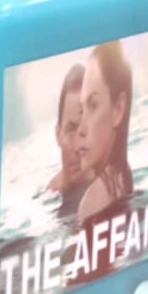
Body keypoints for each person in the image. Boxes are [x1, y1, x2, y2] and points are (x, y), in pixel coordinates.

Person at [72, 41, 135, 226]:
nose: (81, 129)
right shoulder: (123, 176)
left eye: (93, 105)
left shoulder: (92, 203)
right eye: (83, 109)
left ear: (118, 109)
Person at [47, 64, 88, 224]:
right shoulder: (49, 198)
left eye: (85, 131)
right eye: (71, 129)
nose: (77, 146)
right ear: (58, 135)